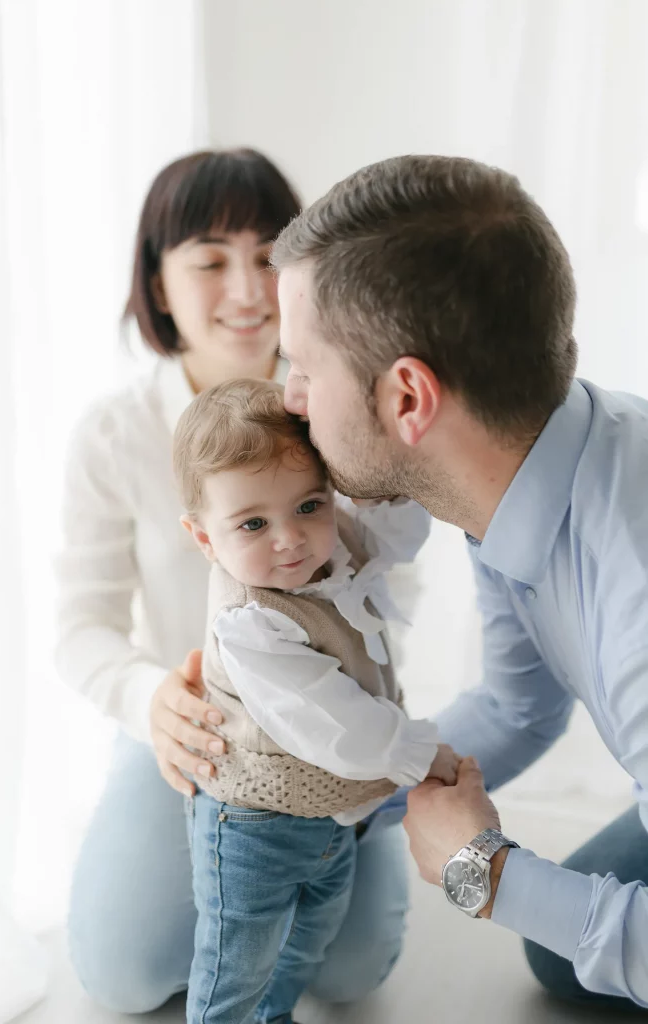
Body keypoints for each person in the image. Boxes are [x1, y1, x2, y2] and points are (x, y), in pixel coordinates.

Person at [267, 154, 648, 1011]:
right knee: (562, 955)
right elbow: (519, 707)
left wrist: (487, 873)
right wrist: (337, 794)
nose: (288, 397)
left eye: (303, 366)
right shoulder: (516, 470)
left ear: (408, 398)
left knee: (555, 920)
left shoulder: (635, 592)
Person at [55, 150, 410, 1014]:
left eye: (270, 256)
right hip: (192, 732)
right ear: (159, 284)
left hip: (327, 724)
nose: (248, 289)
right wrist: (151, 701)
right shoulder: (114, 431)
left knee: (351, 970)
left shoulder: (334, 410)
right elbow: (80, 629)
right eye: (210, 260)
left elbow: (387, 583)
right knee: (126, 977)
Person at [171, 376, 456, 1024]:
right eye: (252, 523)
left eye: (309, 505)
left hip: (333, 819)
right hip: (252, 829)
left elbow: (399, 530)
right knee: (233, 966)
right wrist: (421, 753)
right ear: (204, 538)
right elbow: (339, 725)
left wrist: (378, 468)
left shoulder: (340, 542)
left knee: (304, 947)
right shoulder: (250, 621)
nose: (289, 539)